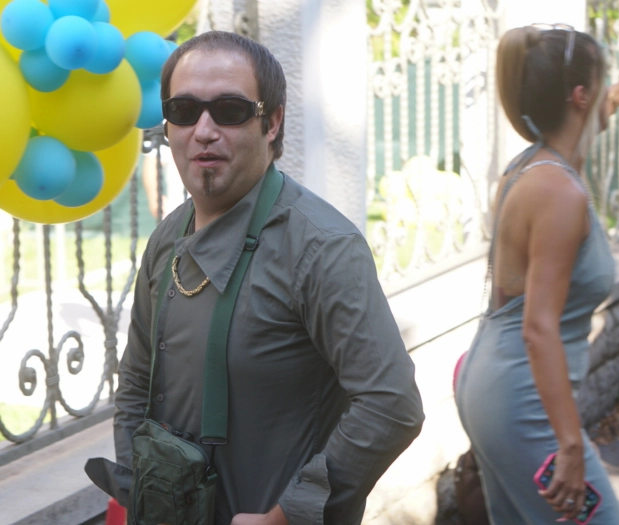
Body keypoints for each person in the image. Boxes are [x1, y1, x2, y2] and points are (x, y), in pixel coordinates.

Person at [113, 31, 425, 525]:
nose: (204, 130)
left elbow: (392, 405)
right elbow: (135, 381)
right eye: (184, 110)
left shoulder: (322, 248)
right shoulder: (167, 238)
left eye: (230, 110)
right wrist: (139, 487)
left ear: (272, 122)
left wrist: (285, 515)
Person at [455, 25, 619, 524]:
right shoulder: (559, 193)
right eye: (603, 83)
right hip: (523, 404)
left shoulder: (532, 166)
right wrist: (569, 445)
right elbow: (539, 328)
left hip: (493, 384)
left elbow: (581, 126)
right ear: (580, 97)